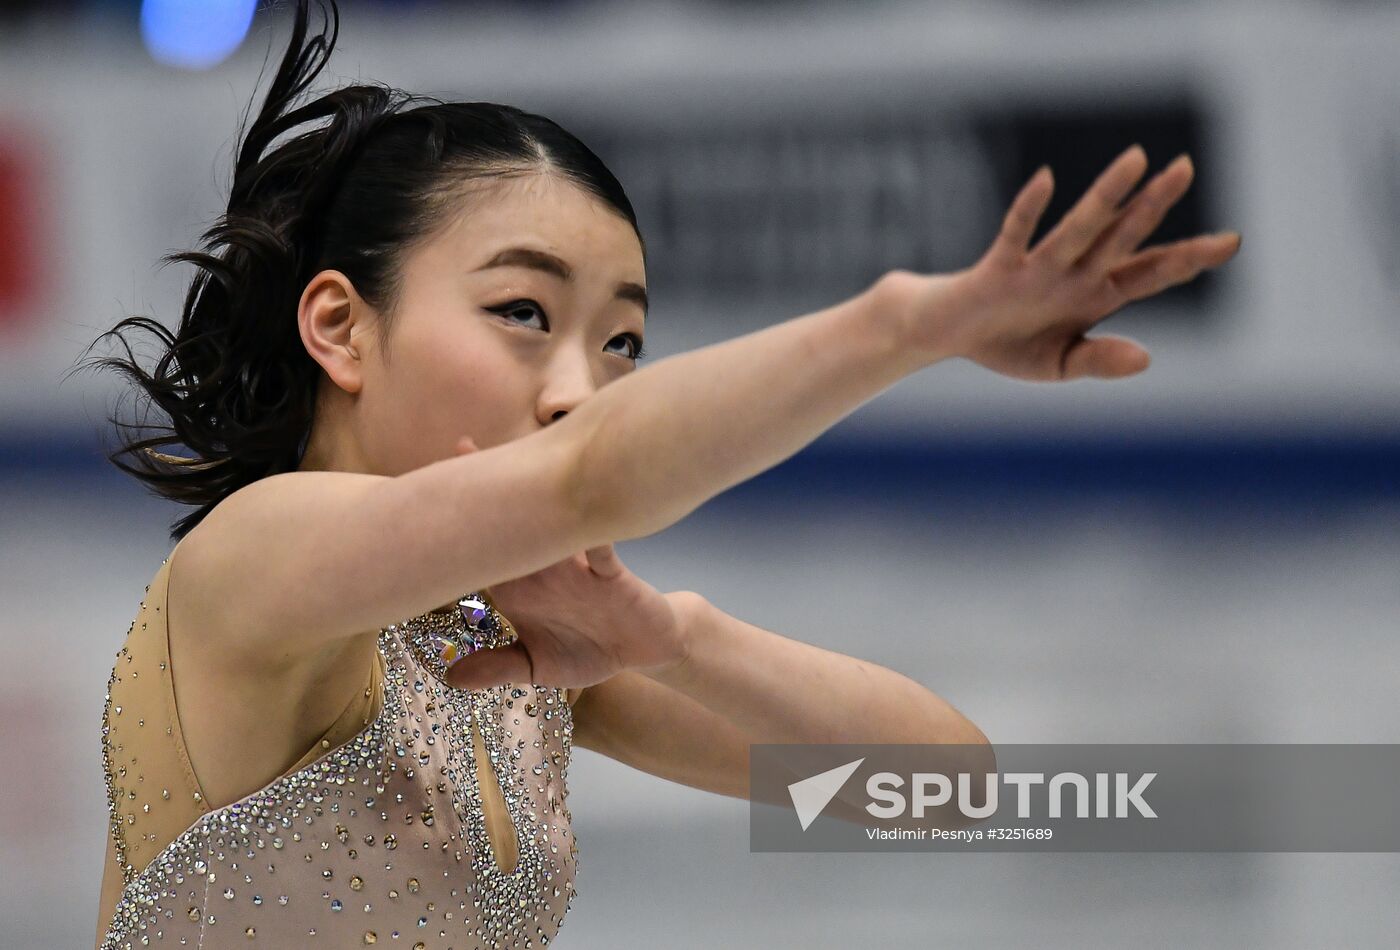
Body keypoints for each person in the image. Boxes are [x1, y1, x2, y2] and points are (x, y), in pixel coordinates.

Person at [82, 0, 1240, 946]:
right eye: (522, 313)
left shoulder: (510, 648)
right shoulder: (257, 559)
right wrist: (903, 326)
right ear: (339, 328)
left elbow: (944, 793)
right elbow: (589, 476)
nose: (578, 386)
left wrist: (674, 639)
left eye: (621, 341)